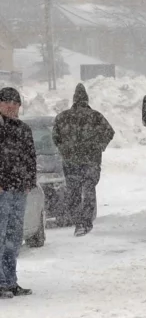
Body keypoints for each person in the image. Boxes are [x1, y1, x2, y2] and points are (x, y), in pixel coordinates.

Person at [52, 83, 115, 236]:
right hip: (91, 161)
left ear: (74, 100)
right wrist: (100, 146)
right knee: (88, 190)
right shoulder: (95, 116)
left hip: (70, 161)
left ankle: (78, 221)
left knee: (73, 192)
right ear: (86, 100)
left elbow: (55, 137)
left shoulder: (62, 117)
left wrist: (64, 149)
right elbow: (110, 132)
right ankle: (85, 222)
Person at [0, 87, 36, 299]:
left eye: (15, 103)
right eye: (6, 102)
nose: (11, 106)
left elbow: (30, 156)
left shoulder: (23, 129)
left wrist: (29, 181)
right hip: (2, 191)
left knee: (13, 237)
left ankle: (10, 281)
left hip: (18, 190)